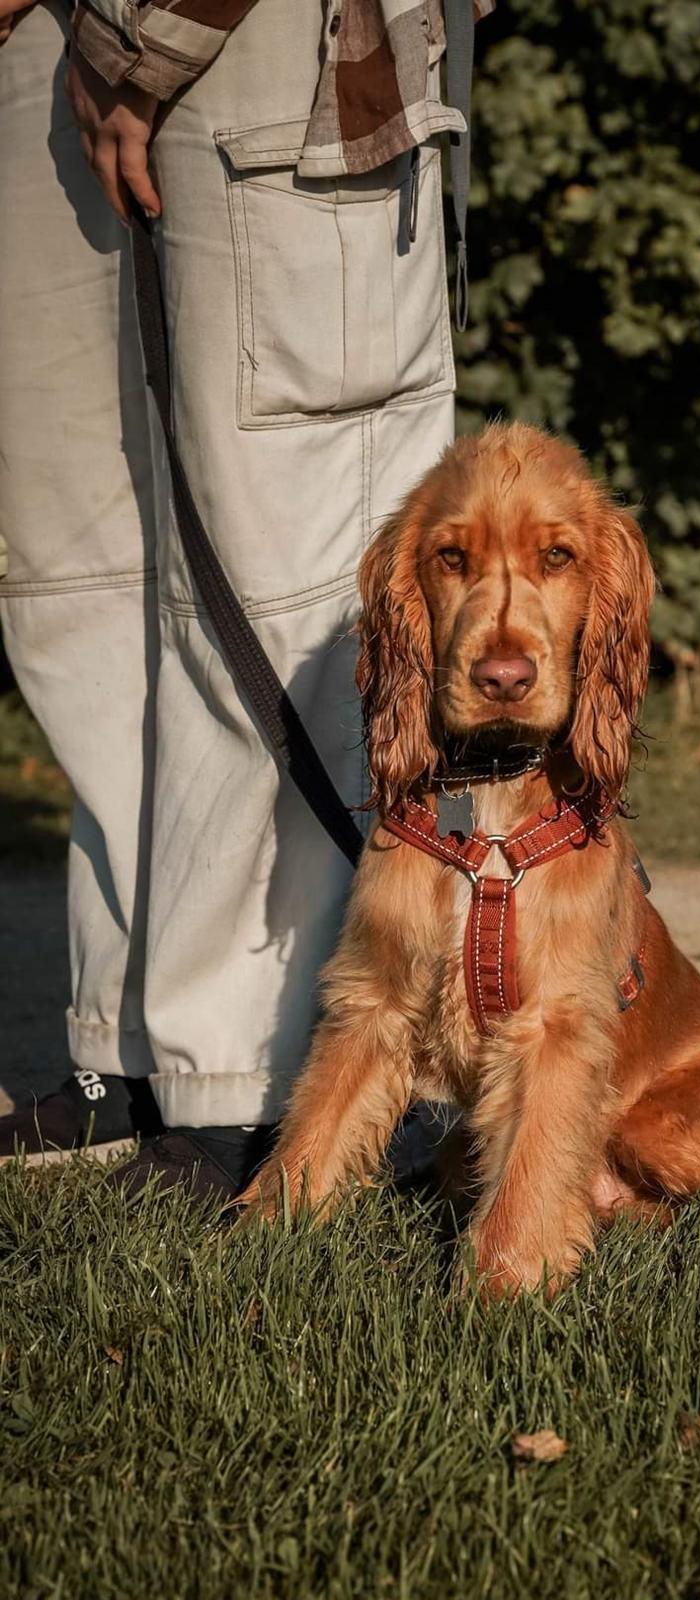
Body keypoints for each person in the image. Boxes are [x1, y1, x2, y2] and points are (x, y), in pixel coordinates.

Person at [0, 0, 483, 1200]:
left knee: (284, 584)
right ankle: (138, 1050)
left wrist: (141, 42)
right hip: (41, 40)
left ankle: (266, 1081)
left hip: (261, 40)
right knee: (87, 578)